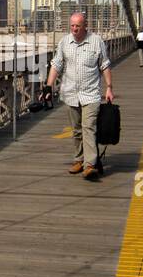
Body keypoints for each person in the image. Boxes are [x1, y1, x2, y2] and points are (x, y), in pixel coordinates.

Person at [45, 12, 114, 181]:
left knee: (88, 127)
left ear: (85, 26)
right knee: (76, 130)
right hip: (70, 93)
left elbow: (104, 65)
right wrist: (48, 86)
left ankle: (90, 165)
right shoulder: (64, 42)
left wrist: (109, 88)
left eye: (78, 26)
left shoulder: (96, 41)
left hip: (90, 94)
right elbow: (56, 64)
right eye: (72, 26)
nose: (74, 29)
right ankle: (79, 159)